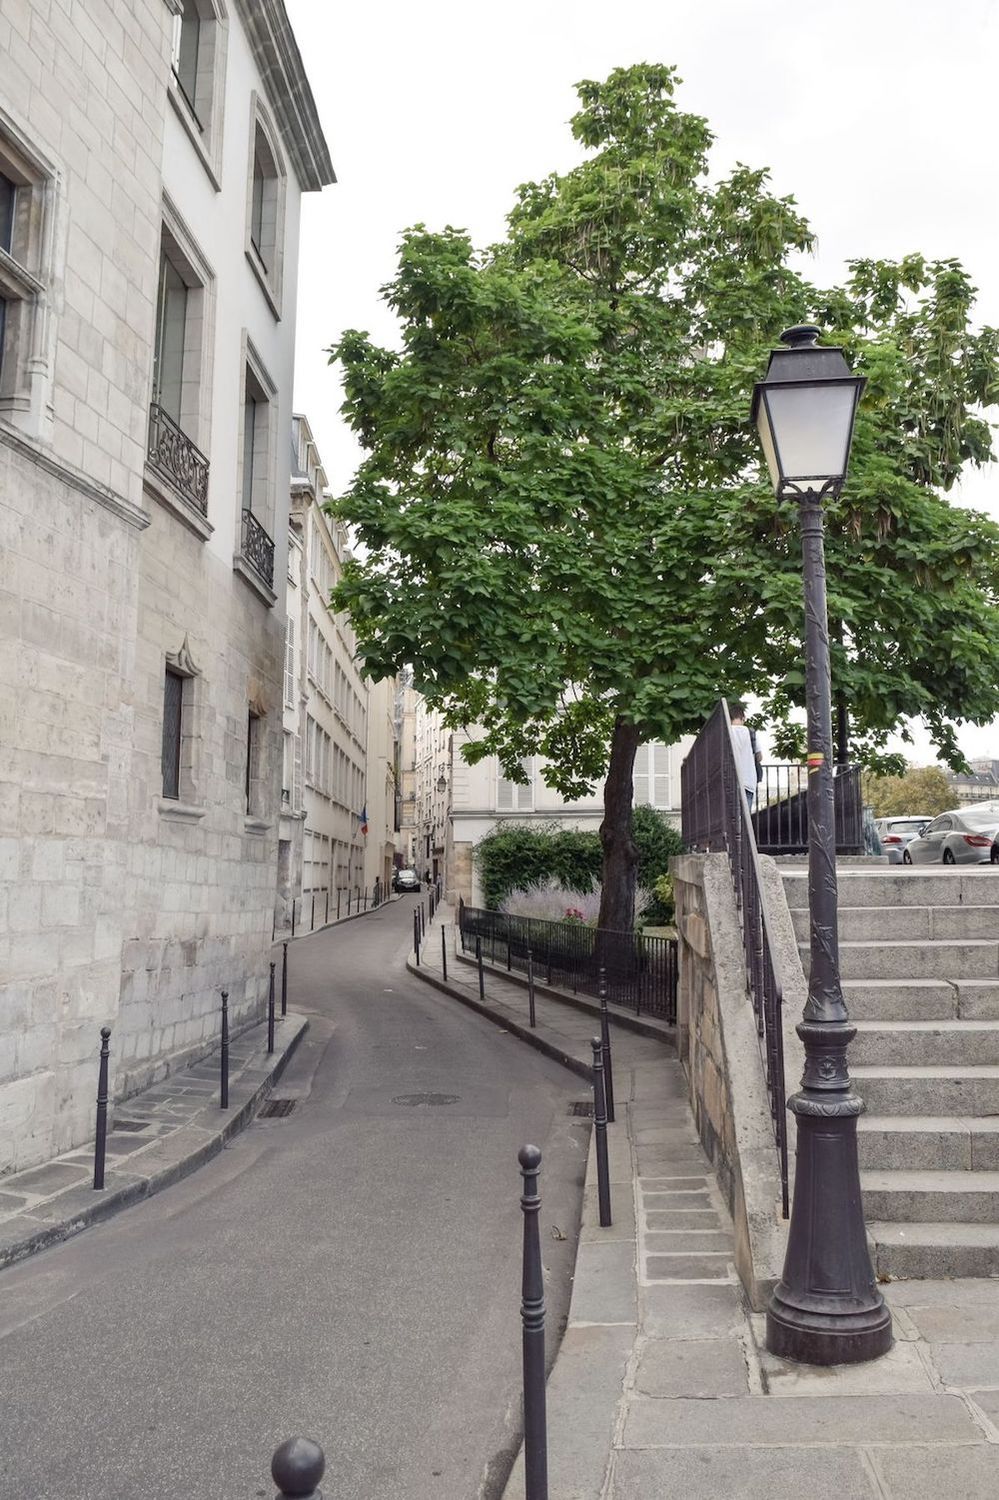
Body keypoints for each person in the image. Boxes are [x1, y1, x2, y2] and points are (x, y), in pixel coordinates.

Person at [729, 701, 760, 809]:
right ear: (743, 718)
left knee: (731, 819)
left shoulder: (725, 732)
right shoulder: (750, 732)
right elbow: (759, 756)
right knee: (745, 820)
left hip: (730, 781)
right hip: (748, 780)